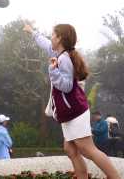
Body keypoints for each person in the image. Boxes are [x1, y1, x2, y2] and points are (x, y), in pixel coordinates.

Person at [23, 23, 120, 179]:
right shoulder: (59, 53)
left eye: (53, 34)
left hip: (75, 111)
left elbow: (67, 87)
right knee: (70, 149)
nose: (51, 37)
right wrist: (32, 32)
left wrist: (53, 71)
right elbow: (46, 44)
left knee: (88, 149)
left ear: (60, 38)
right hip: (69, 113)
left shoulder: (64, 59)